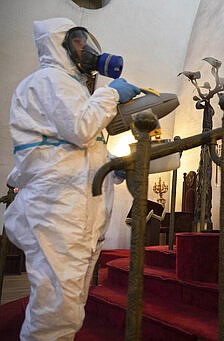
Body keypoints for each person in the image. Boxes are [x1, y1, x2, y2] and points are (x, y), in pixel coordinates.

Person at [3, 17, 140, 340]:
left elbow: (79, 149)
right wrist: (111, 95)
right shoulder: (50, 80)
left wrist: (113, 168)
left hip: (77, 212)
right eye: (78, 43)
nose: (87, 50)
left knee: (71, 305)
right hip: (59, 211)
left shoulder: (73, 87)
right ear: (58, 44)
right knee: (55, 312)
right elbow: (80, 129)